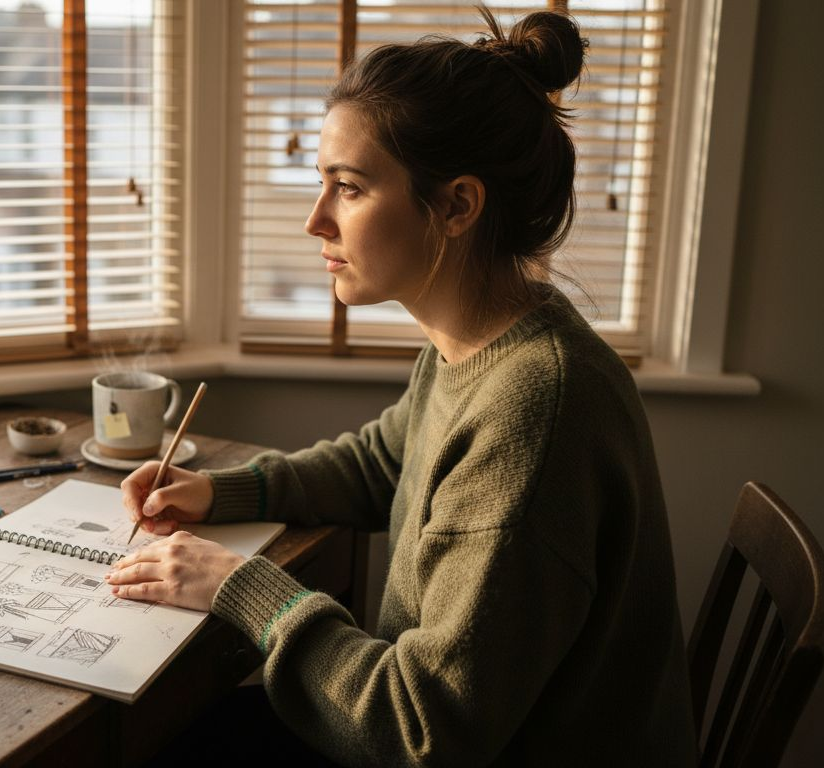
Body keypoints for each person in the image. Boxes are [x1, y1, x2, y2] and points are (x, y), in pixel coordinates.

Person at [104, 7, 697, 767]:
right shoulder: (482, 337)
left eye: (348, 188)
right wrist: (220, 493)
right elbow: (382, 463)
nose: (317, 220)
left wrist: (242, 586)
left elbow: (425, 730)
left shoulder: (537, 408)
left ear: (456, 205)